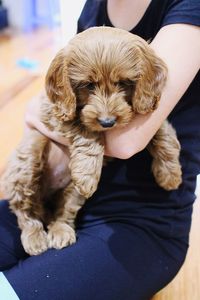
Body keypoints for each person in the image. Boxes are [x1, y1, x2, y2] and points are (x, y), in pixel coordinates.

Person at [0, 1, 200, 299]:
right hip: (61, 200)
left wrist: (42, 116)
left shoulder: (189, 8)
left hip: (139, 223)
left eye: (124, 84)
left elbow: (124, 141)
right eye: (90, 87)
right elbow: (60, 100)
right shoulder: (95, 6)